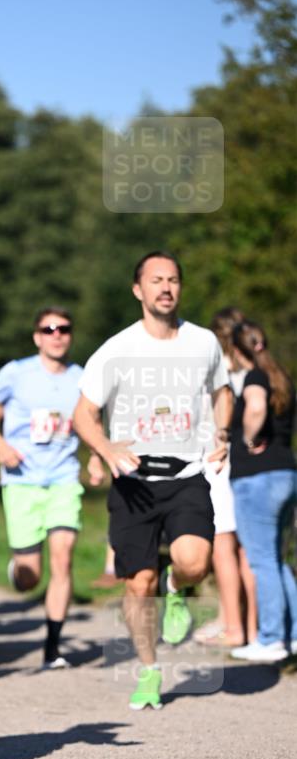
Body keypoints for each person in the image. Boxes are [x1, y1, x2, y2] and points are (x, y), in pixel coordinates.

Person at [73, 252, 233, 709]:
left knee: (195, 561)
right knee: (138, 584)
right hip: (134, 480)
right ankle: (148, 668)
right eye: (156, 280)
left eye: (173, 280)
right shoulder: (117, 349)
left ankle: (176, 587)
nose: (166, 287)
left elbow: (223, 393)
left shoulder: (203, 342)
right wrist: (105, 449)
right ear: (137, 290)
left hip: (186, 474)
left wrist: (221, 432)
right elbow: (83, 415)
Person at [0, 306, 85, 669]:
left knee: (63, 557)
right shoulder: (16, 372)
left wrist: (98, 458)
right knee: (30, 576)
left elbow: (91, 421)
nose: (57, 335)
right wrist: (1, 447)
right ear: (37, 337)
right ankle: (19, 571)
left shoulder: (81, 377)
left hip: (64, 478)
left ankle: (53, 648)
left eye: (63, 329)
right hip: (22, 480)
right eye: (49, 329)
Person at [229, 320, 296, 662]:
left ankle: (270, 638)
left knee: (262, 560)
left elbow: (255, 407)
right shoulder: (281, 376)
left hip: (257, 479)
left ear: (236, 350)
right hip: (285, 474)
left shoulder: (255, 377)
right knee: (276, 559)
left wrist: (247, 438)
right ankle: (293, 634)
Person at [194, 307, 257, 648]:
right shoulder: (254, 371)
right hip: (249, 467)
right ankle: (250, 627)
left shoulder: (214, 376)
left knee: (223, 549)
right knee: (248, 551)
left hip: (219, 466)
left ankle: (233, 627)